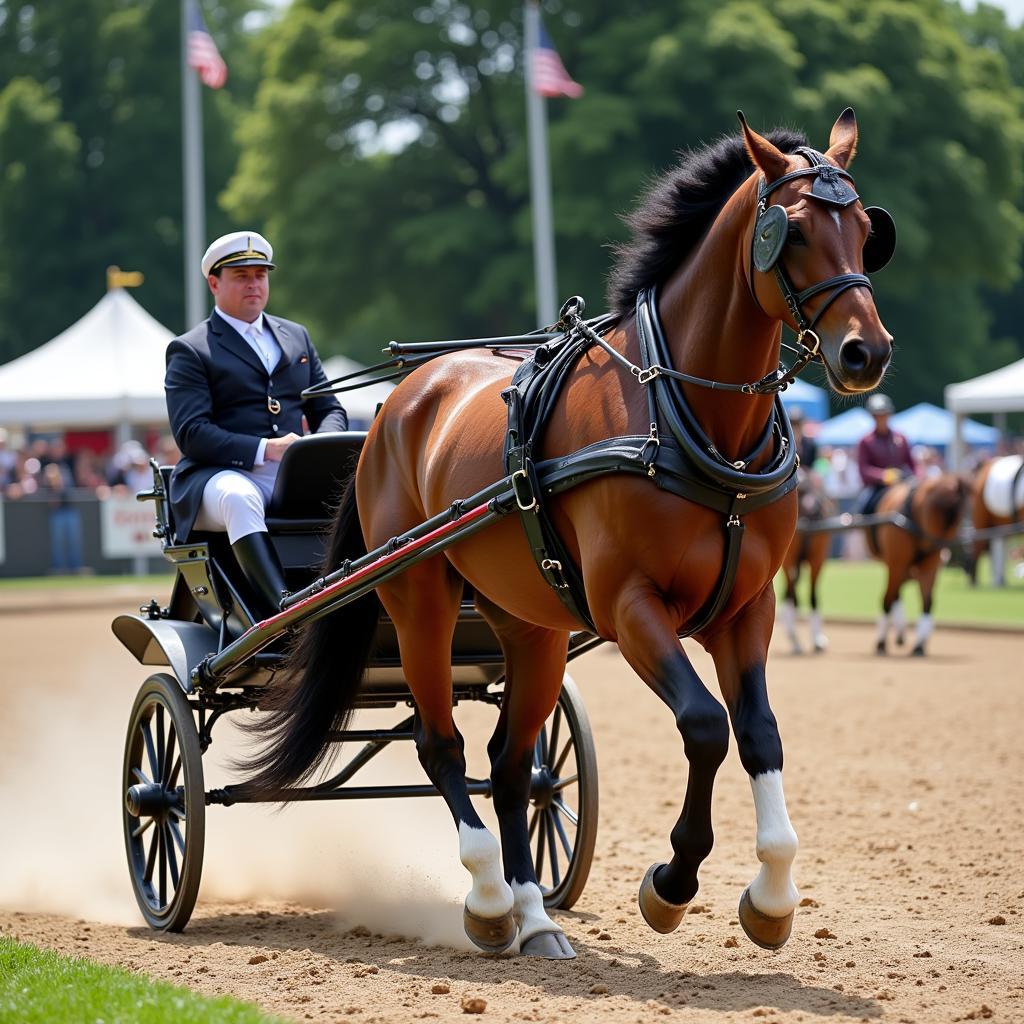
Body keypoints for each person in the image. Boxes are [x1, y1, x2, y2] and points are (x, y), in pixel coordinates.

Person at [164, 230, 347, 617]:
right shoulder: (191, 348)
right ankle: (286, 609)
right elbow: (191, 434)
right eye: (242, 276)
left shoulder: (296, 336)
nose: (254, 284)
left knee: (364, 490)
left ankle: (358, 599)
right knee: (239, 498)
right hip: (215, 476)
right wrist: (267, 449)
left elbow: (329, 408)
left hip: (292, 470)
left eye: (260, 275)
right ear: (214, 283)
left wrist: (319, 451)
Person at [855, 393, 917, 515]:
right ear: (873, 417)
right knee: (864, 508)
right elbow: (864, 470)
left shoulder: (901, 438)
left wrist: (916, 477)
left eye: (884, 414)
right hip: (876, 488)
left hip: (903, 483)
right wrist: (884, 476)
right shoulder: (865, 441)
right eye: (878, 415)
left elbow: (912, 463)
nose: (881, 418)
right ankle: (867, 532)